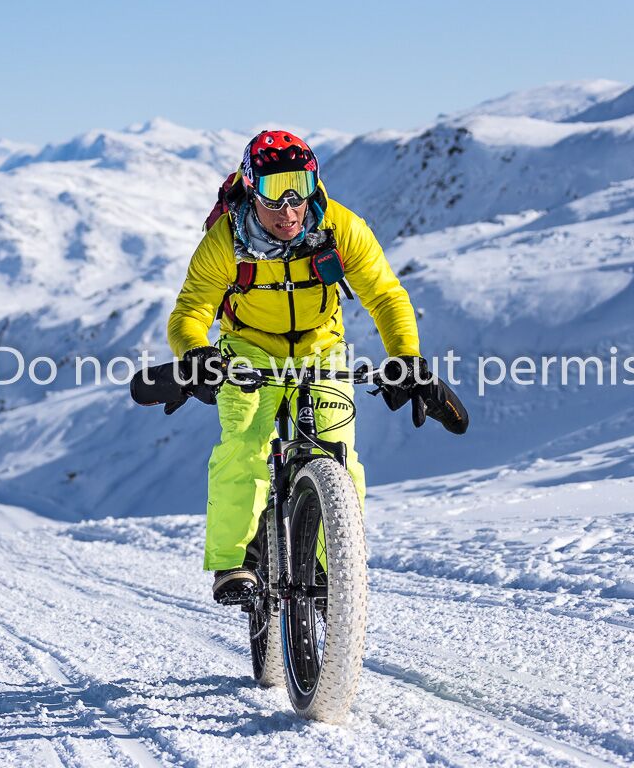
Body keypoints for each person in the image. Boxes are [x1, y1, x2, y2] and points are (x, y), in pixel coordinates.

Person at [166, 130, 466, 603]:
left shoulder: (340, 228)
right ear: (250, 188)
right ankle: (235, 560)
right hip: (248, 349)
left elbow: (385, 294)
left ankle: (334, 570)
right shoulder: (225, 242)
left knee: (338, 454)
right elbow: (190, 312)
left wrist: (406, 357)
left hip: (320, 349)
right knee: (244, 441)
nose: (288, 208)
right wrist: (196, 355)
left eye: (299, 189)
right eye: (272, 191)